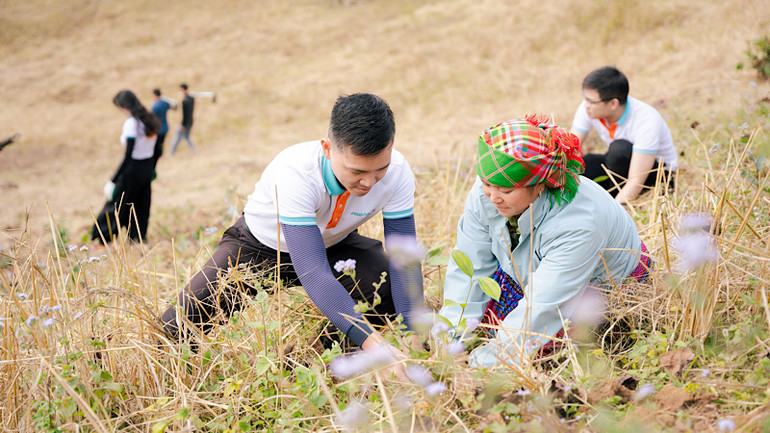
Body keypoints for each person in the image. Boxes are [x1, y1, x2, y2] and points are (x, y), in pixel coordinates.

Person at [160, 93, 424, 365]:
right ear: (327, 149)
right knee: (171, 331)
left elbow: (404, 258)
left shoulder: (398, 172)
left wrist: (413, 333)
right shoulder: (295, 171)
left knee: (386, 287)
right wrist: (376, 345)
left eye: (379, 169)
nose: (369, 183)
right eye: (356, 171)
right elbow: (313, 272)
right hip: (260, 248)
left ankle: (314, 360)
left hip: (335, 245)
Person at [438, 115, 650, 369]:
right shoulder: (488, 190)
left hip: (598, 283)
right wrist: (450, 338)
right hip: (531, 269)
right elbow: (471, 266)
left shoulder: (578, 222)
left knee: (554, 343)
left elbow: (545, 304)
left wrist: (490, 361)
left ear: (540, 185)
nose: (493, 197)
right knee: (486, 313)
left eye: (506, 191)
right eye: (486, 184)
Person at [570, 66, 678, 204]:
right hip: (620, 166)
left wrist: (615, 210)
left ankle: (613, 203)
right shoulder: (589, 108)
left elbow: (637, 179)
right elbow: (570, 147)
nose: (586, 105)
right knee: (582, 165)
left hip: (655, 174)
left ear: (613, 103)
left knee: (619, 150)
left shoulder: (646, 119)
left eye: (591, 101)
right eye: (585, 98)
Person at [92, 90, 160, 244]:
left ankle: (104, 239)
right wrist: (152, 167)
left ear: (123, 107)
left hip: (133, 169)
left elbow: (128, 155)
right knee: (141, 205)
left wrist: (113, 180)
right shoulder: (149, 119)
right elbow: (157, 149)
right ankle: (137, 238)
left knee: (117, 205)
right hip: (146, 167)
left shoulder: (132, 123)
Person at [150, 88, 177, 166]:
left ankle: (157, 158)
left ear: (154, 95)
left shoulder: (155, 106)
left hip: (158, 129)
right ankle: (161, 156)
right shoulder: (164, 103)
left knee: (156, 145)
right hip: (165, 127)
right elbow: (174, 107)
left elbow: (150, 117)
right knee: (161, 143)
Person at [170, 83, 195, 155]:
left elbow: (185, 114)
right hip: (190, 121)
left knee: (177, 138)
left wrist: (183, 125)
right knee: (186, 137)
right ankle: (193, 150)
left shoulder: (185, 101)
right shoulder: (191, 99)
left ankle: (171, 153)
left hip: (185, 123)